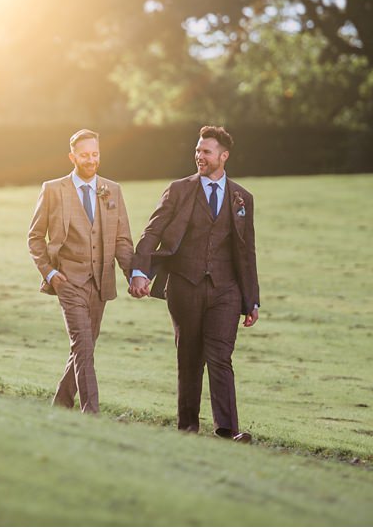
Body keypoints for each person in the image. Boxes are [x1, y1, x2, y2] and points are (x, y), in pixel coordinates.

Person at [130, 125, 260, 440]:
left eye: (206, 151)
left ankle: (227, 428)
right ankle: (187, 426)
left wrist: (251, 300)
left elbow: (246, 251)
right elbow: (153, 232)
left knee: (220, 355)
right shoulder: (179, 190)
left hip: (225, 290)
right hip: (184, 284)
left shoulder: (242, 198)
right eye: (198, 150)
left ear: (223, 156)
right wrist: (139, 271)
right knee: (189, 356)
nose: (199, 156)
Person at [27, 128, 141, 414]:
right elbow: (35, 237)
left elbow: (122, 239)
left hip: (100, 283)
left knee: (83, 348)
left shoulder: (112, 190)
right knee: (83, 346)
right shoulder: (53, 189)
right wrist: (50, 274)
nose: (90, 160)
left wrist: (134, 276)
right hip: (68, 281)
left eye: (95, 154)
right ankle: (91, 413)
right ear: (72, 156)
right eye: (84, 155)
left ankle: (60, 406)